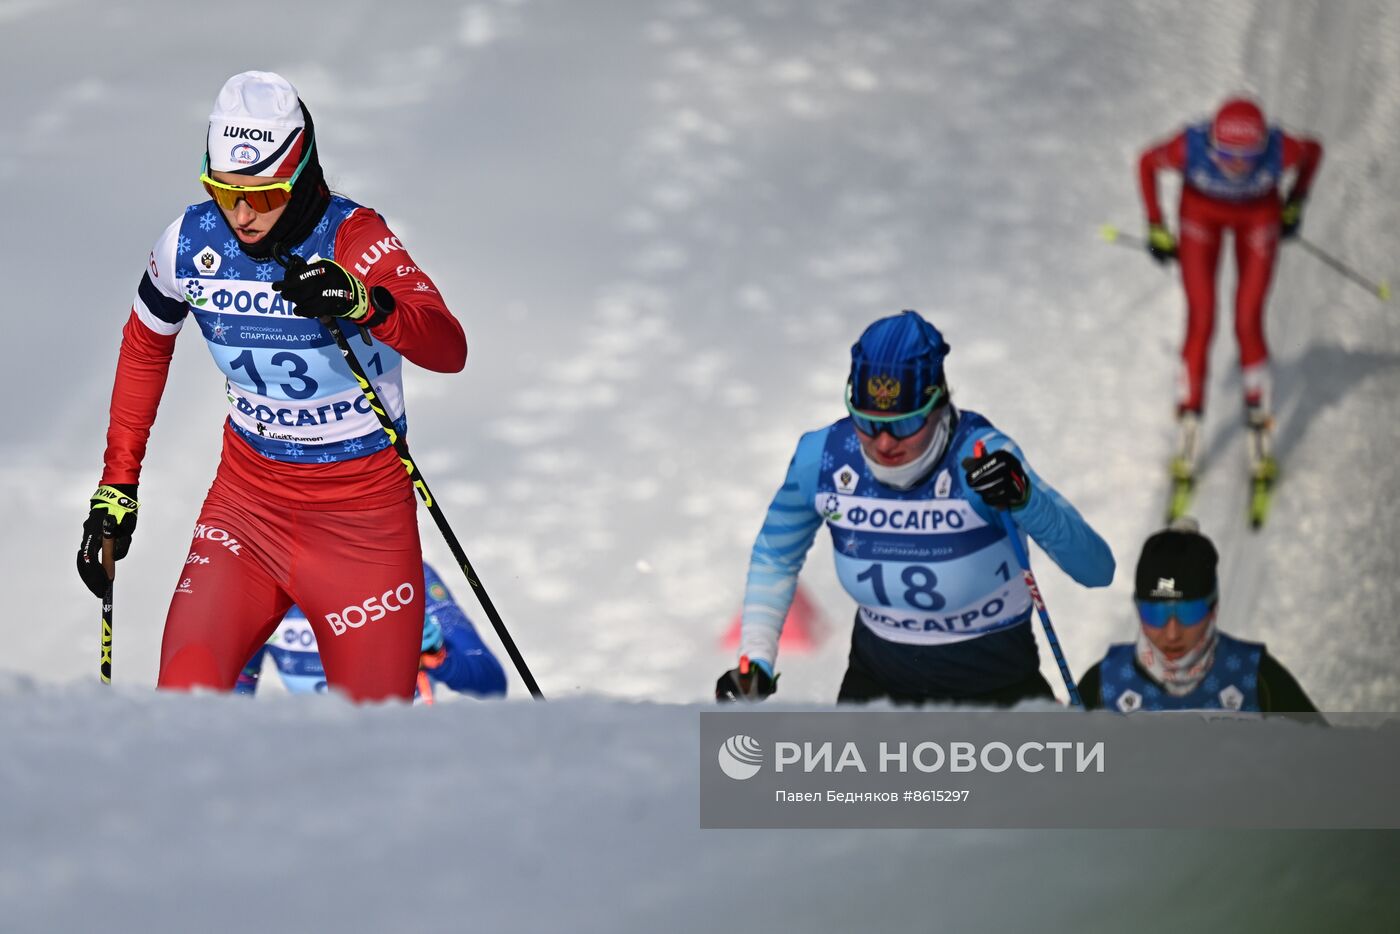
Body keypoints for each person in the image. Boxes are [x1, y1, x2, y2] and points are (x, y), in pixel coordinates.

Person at [75, 71, 467, 702]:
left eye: (263, 195)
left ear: (303, 175)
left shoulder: (355, 237)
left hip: (361, 524)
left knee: (366, 756)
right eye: (223, 190)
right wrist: (117, 486)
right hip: (245, 510)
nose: (240, 214)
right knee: (182, 706)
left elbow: (449, 347)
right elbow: (145, 344)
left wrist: (366, 302)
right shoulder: (189, 242)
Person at [716, 310, 1115, 706]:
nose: (884, 442)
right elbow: (775, 557)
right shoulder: (822, 457)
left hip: (995, 692)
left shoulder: (982, 455)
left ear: (939, 405)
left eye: (905, 424)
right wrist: (756, 659)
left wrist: (1028, 501)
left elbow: (1097, 569)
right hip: (878, 690)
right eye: (868, 421)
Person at [1138, 96, 1323, 481]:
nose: (1237, 165)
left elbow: (1313, 151)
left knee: (1248, 319)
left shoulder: (1281, 149)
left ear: (1263, 146)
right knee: (1201, 318)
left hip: (1258, 216)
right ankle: (1189, 426)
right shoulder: (1189, 146)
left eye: (1248, 156)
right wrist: (1155, 224)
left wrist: (1296, 202)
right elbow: (1146, 162)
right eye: (1225, 154)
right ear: (1211, 144)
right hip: (1200, 216)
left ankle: (1258, 425)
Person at [1077, 519, 1315, 713]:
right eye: (1155, 614)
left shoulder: (1256, 678)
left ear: (1213, 608)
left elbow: (1328, 760)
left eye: (1188, 613)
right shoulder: (1102, 685)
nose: (1172, 632)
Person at [236, 563, 507, 700]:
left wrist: (438, 656)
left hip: (410, 758)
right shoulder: (263, 589)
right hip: (321, 768)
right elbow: (228, 703)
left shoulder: (409, 574)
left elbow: (492, 683)